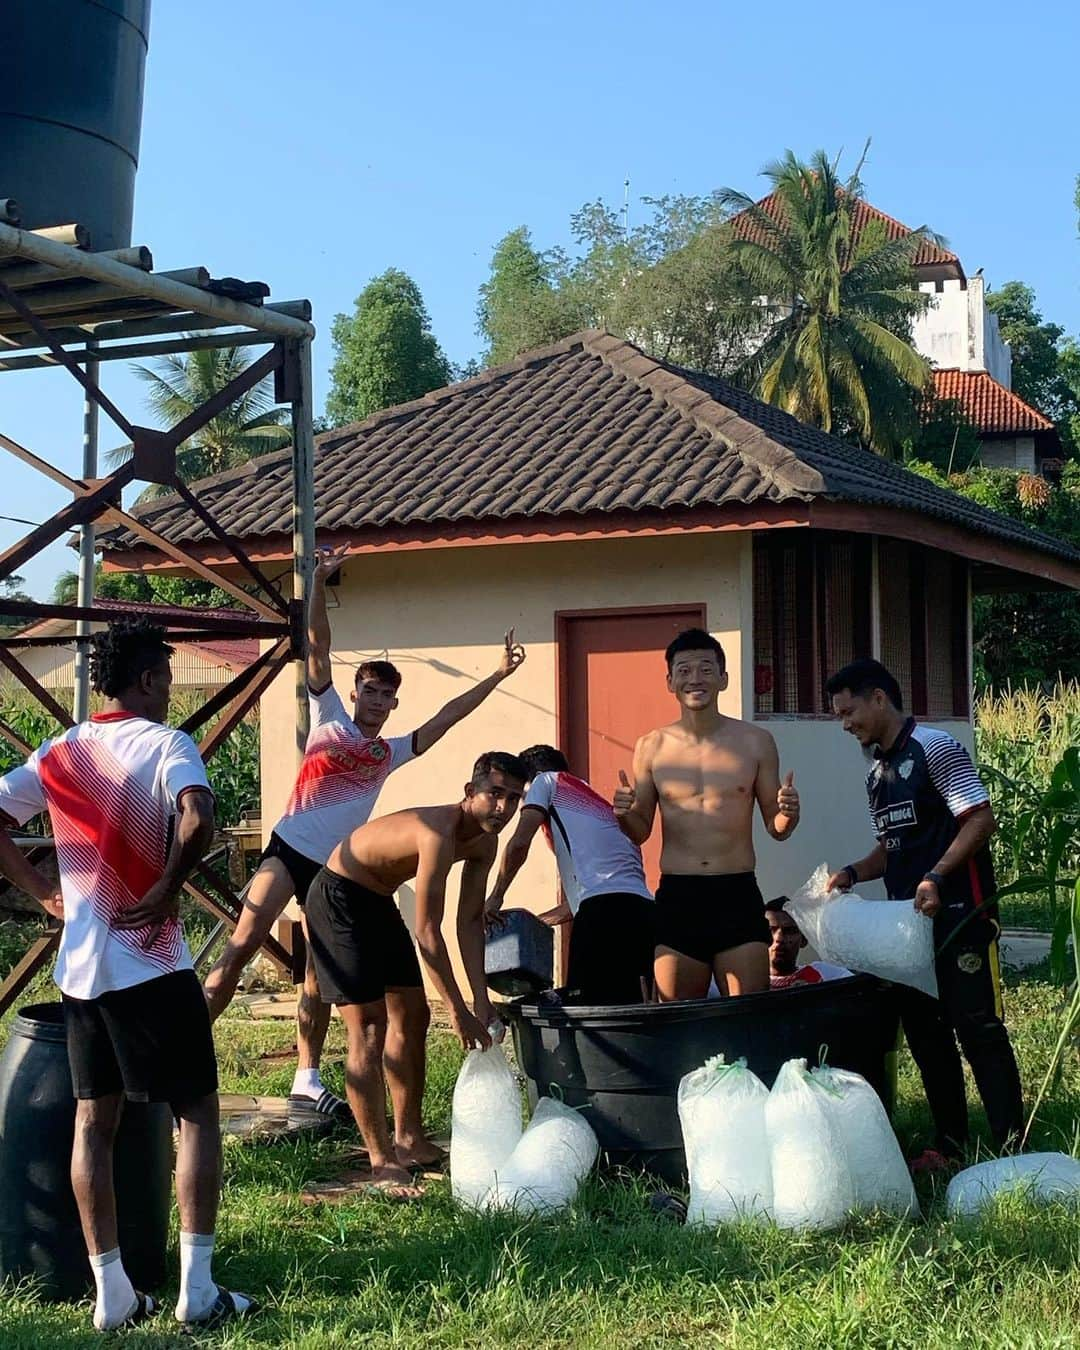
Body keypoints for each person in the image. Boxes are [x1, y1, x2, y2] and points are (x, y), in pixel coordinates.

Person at [203, 545, 525, 1130]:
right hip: (290, 850)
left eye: (387, 698)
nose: (377, 704)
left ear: (394, 704)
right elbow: (318, 643)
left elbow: (450, 716)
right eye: (370, 693)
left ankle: (307, 1077)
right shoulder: (327, 714)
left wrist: (497, 676)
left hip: (336, 872)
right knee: (242, 944)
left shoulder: (388, 752)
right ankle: (186, 1065)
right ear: (355, 694)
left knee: (316, 980)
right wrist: (319, 583)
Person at [0, 621, 253, 1333]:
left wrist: (40, 891)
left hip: (81, 972)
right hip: (150, 962)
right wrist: (172, 882)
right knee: (196, 1112)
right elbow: (198, 815)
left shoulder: (60, 751)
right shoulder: (167, 745)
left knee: (95, 1123)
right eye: (167, 679)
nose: (170, 693)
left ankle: (113, 1293)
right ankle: (196, 1290)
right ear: (147, 680)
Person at [824, 657, 1023, 1170]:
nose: (846, 725)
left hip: (961, 915)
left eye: (849, 713)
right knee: (927, 1036)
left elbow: (980, 820)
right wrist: (851, 871)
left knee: (977, 1027)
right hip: (907, 930)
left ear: (879, 698)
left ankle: (1010, 1144)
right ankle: (951, 1146)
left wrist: (936, 875)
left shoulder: (934, 748)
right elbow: (889, 849)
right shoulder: (876, 775)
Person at [304, 751, 527, 1195]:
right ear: (470, 793)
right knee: (368, 1027)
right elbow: (427, 933)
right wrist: (457, 1010)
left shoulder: (485, 843)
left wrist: (481, 1003)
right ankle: (380, 1158)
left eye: (514, 798)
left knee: (412, 1016)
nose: (503, 808)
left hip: (377, 901)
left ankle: (409, 1137)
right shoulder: (437, 833)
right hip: (338, 899)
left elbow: (467, 923)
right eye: (494, 794)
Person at [612, 627, 800, 1001]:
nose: (694, 678)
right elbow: (640, 830)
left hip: (737, 892)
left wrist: (788, 814)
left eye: (705, 669)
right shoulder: (651, 747)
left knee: (747, 1015)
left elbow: (776, 828)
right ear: (669, 682)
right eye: (683, 670)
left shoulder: (755, 742)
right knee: (678, 1021)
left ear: (723, 678)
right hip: (679, 896)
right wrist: (622, 814)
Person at [484, 745, 655, 1005]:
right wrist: (538, 923)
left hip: (602, 916)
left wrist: (496, 897)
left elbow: (519, 843)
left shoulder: (545, 781)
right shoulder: (601, 804)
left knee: (589, 1012)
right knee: (636, 1008)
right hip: (645, 913)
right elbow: (599, 888)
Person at [764, 897, 851, 989]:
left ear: (804, 939)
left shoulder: (826, 974)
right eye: (770, 930)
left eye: (789, 931)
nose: (779, 938)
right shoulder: (750, 985)